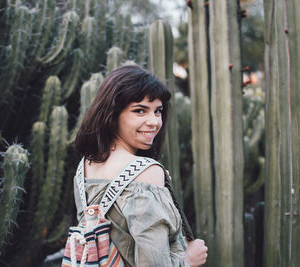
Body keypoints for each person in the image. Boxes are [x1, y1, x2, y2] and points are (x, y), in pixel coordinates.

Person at [75, 65, 208, 266]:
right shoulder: (146, 172)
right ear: (112, 114)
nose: (154, 122)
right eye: (139, 111)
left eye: (158, 111)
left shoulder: (85, 165)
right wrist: (189, 259)